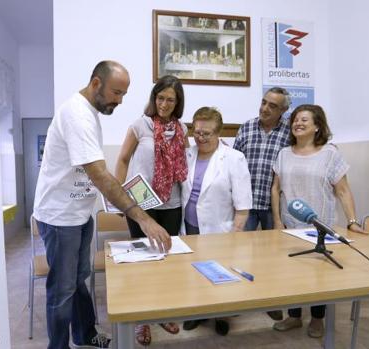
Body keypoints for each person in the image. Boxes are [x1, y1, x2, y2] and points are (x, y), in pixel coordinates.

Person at [33, 60, 172, 349]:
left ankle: (84, 334)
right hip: (60, 217)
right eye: (116, 92)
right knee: (62, 290)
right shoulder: (77, 115)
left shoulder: (89, 112)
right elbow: (98, 174)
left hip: (80, 214)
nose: (119, 101)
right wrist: (141, 217)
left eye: (123, 94)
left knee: (80, 279)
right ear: (96, 83)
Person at [270, 104, 365, 338]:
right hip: (291, 227)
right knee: (291, 272)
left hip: (320, 227)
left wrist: (352, 221)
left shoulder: (330, 153)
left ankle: (317, 318)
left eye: (304, 120)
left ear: (317, 126)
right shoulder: (283, 153)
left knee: (318, 274)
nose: (298, 124)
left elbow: (343, 190)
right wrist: (277, 221)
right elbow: (276, 189)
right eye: (295, 120)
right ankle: (293, 316)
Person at [114, 75, 188, 346]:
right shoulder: (139, 126)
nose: (164, 104)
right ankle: (142, 320)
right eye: (160, 98)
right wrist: (121, 197)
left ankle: (163, 310)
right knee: (143, 259)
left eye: (170, 99)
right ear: (153, 98)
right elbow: (122, 160)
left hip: (172, 202)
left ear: (177, 102)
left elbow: (185, 164)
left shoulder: (182, 130)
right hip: (141, 202)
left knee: (167, 259)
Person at [180, 107, 252, 336]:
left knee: (219, 275)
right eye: (197, 132)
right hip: (190, 226)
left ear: (219, 132)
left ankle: (221, 314)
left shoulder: (233, 158)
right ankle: (198, 313)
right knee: (194, 272)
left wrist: (235, 235)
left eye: (206, 134)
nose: (200, 138)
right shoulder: (187, 154)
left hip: (220, 230)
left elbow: (243, 205)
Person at [232, 86, 292, 321]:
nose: (265, 108)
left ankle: (272, 299)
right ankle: (236, 298)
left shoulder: (290, 132)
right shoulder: (246, 126)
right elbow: (234, 163)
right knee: (239, 252)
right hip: (246, 203)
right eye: (264, 102)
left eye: (273, 106)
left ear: (284, 110)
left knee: (273, 256)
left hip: (273, 205)